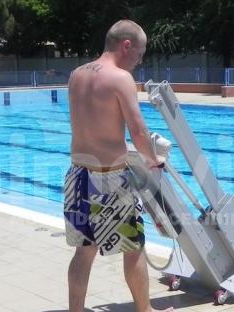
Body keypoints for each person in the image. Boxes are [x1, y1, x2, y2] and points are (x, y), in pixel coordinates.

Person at [64, 20, 173, 312]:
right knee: (133, 248)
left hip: (77, 174)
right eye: (139, 53)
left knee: (83, 252)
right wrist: (153, 160)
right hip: (109, 179)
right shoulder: (120, 78)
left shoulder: (77, 75)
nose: (139, 61)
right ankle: (145, 310)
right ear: (126, 45)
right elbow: (138, 132)